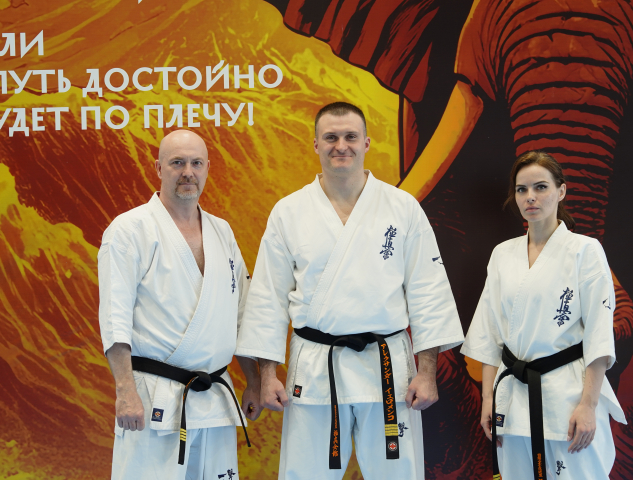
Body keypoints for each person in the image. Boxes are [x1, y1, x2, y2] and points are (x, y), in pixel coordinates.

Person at [236, 102, 465, 479]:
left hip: (387, 366)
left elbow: (429, 293)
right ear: (315, 145)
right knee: (306, 475)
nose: (341, 145)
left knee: (398, 474)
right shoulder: (289, 212)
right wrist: (267, 374)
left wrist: (427, 373)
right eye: (331, 137)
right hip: (315, 366)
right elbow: (267, 299)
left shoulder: (402, 207)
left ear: (366, 143)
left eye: (350, 137)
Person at [98, 130, 262, 479]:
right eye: (177, 163)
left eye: (196, 163)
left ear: (207, 168)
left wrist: (254, 380)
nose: (188, 172)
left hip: (215, 399)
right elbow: (114, 318)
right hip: (153, 398)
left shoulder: (222, 231)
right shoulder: (129, 230)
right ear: (159, 168)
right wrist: (125, 391)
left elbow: (241, 314)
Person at [461, 151, 626, 480]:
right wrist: (489, 399)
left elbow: (598, 335)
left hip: (568, 395)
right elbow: (490, 334)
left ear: (561, 191)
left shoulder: (585, 250)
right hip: (513, 396)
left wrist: (588, 405)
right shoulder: (502, 254)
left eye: (540, 187)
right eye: (521, 189)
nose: (530, 197)